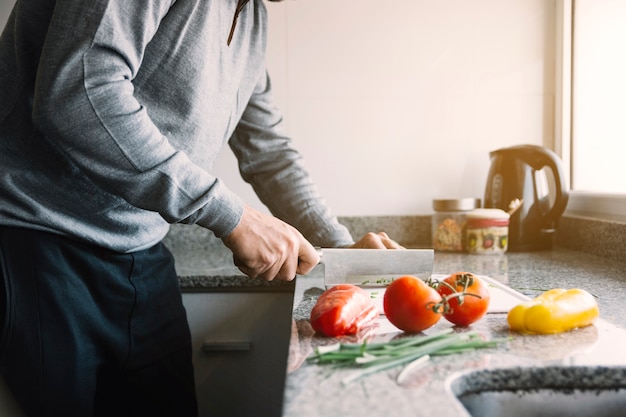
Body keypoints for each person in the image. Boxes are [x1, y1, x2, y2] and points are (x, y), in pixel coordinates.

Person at [0, 0, 403, 416]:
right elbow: (78, 92)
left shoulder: (252, 17)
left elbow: (268, 152)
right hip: (37, 240)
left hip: (142, 251)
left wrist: (342, 249)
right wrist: (232, 216)